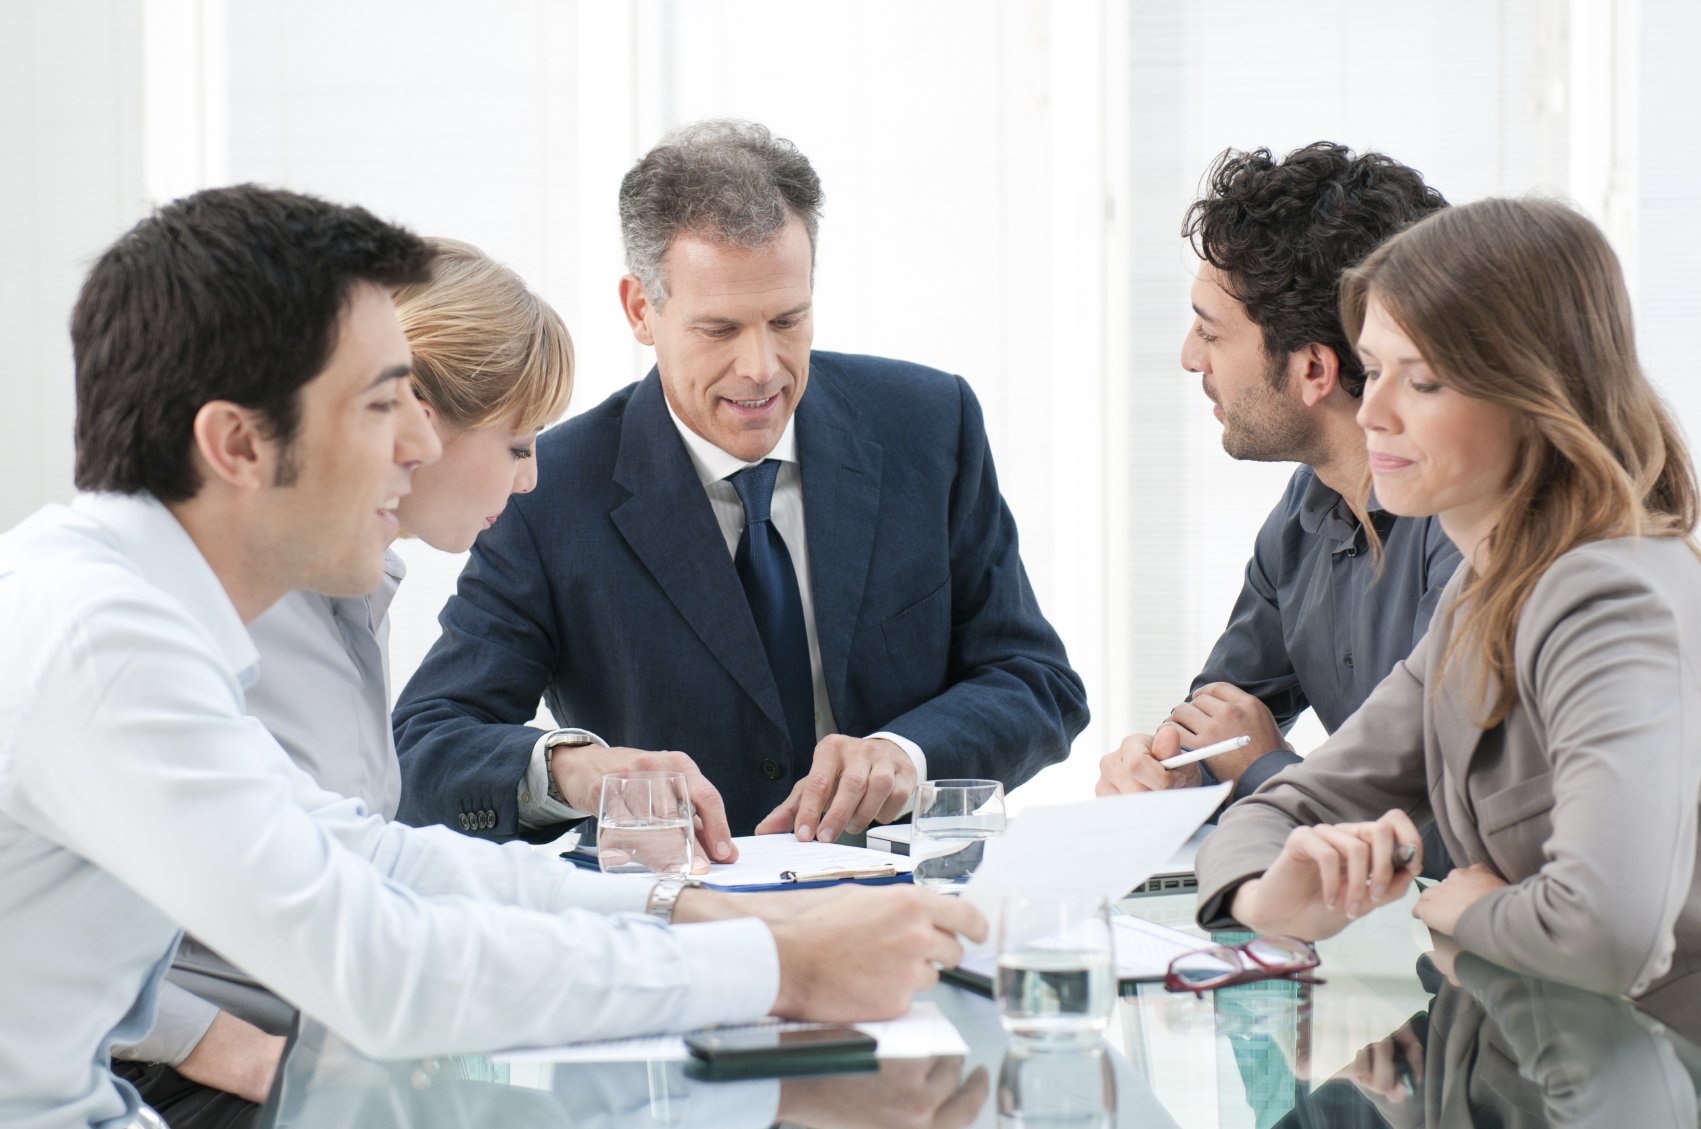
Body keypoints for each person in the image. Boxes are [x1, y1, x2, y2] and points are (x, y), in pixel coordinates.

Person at [0, 184, 985, 1129]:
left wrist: (699, 910)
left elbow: (376, 856)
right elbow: (389, 970)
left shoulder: (125, 612)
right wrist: (782, 967)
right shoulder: (105, 643)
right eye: (386, 404)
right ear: (240, 446)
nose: (420, 444)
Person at [393, 119, 1088, 850]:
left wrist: (904, 755)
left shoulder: (927, 424)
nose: (761, 366)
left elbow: (1036, 682)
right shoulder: (549, 488)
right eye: (719, 329)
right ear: (640, 310)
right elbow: (424, 746)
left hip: (909, 900)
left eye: (787, 319)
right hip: (684, 923)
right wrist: (574, 768)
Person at [1192, 197, 1701, 1014]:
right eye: (1375, 367)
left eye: (1421, 380)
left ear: (1535, 396)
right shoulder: (1487, 589)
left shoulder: (1609, 593)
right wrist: (1265, 894)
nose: (1370, 410)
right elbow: (1293, 804)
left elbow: (1608, 931)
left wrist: (1461, 909)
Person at [109, 238, 578, 1119]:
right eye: (518, 443)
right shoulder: (212, 602)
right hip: (204, 1081)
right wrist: (238, 1053)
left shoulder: (353, 593)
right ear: (417, 421)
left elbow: (361, 864)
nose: (533, 478)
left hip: (324, 1042)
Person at [1096, 143, 1459, 807]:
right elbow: (1221, 720)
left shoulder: (1472, 522)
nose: (1187, 357)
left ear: (1312, 370)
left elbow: (1441, 803)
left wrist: (1263, 769)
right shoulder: (1307, 503)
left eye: (1210, 333)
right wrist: (1172, 770)